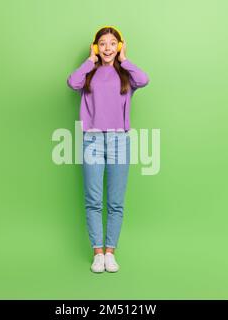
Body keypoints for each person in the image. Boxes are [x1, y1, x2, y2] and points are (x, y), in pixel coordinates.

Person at [67, 26, 149, 273]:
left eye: (113, 43)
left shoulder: (126, 75)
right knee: (93, 200)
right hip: (92, 140)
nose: (107, 48)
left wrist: (125, 59)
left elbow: (144, 79)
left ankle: (111, 252)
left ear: (120, 46)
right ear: (96, 47)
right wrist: (89, 61)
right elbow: (72, 82)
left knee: (115, 201)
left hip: (119, 141)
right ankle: (98, 253)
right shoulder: (88, 74)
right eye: (102, 43)